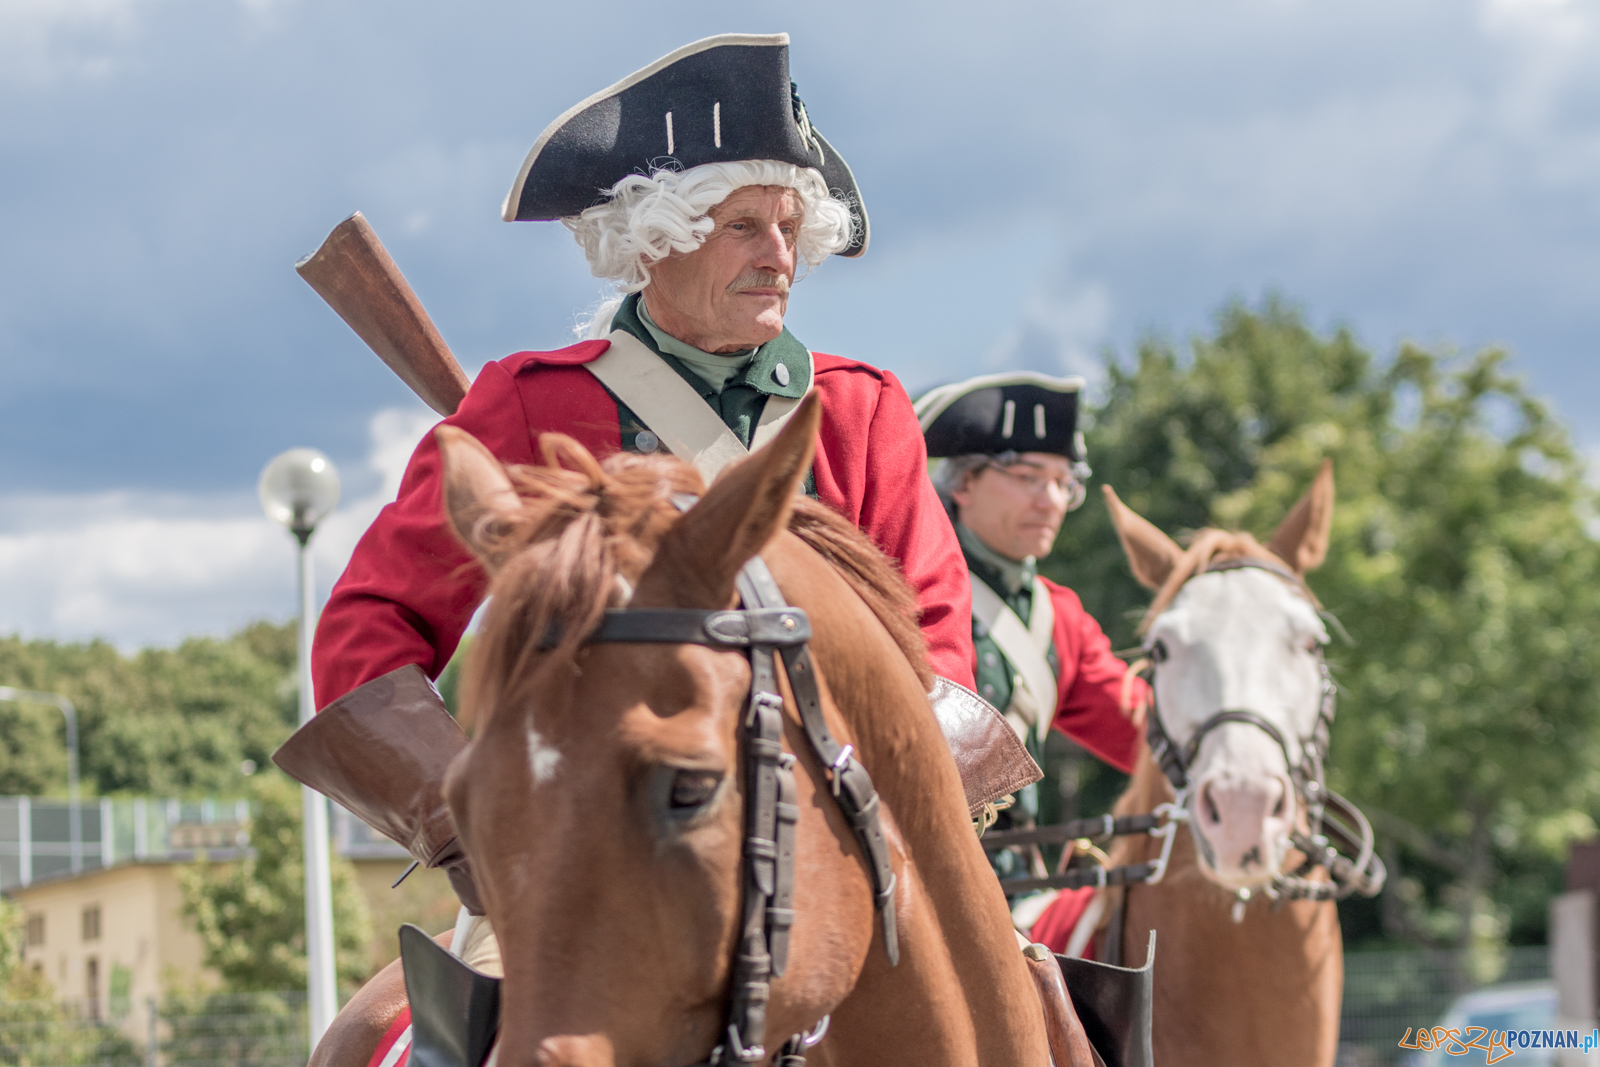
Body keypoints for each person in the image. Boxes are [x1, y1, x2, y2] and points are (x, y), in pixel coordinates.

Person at [274, 34, 973, 925]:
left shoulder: (861, 410)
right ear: (654, 240)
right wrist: (465, 823)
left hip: (841, 851)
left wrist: (897, 815)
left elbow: (938, 644)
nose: (779, 257)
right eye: (743, 227)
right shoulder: (529, 405)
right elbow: (366, 630)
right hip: (593, 867)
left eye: (791, 228)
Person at [916, 372, 1148, 908]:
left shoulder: (1059, 617)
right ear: (963, 482)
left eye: (1064, 483)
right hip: (912, 882)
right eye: (1027, 476)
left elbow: (1147, 734)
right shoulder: (906, 585)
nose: (1051, 501)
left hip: (1016, 893)